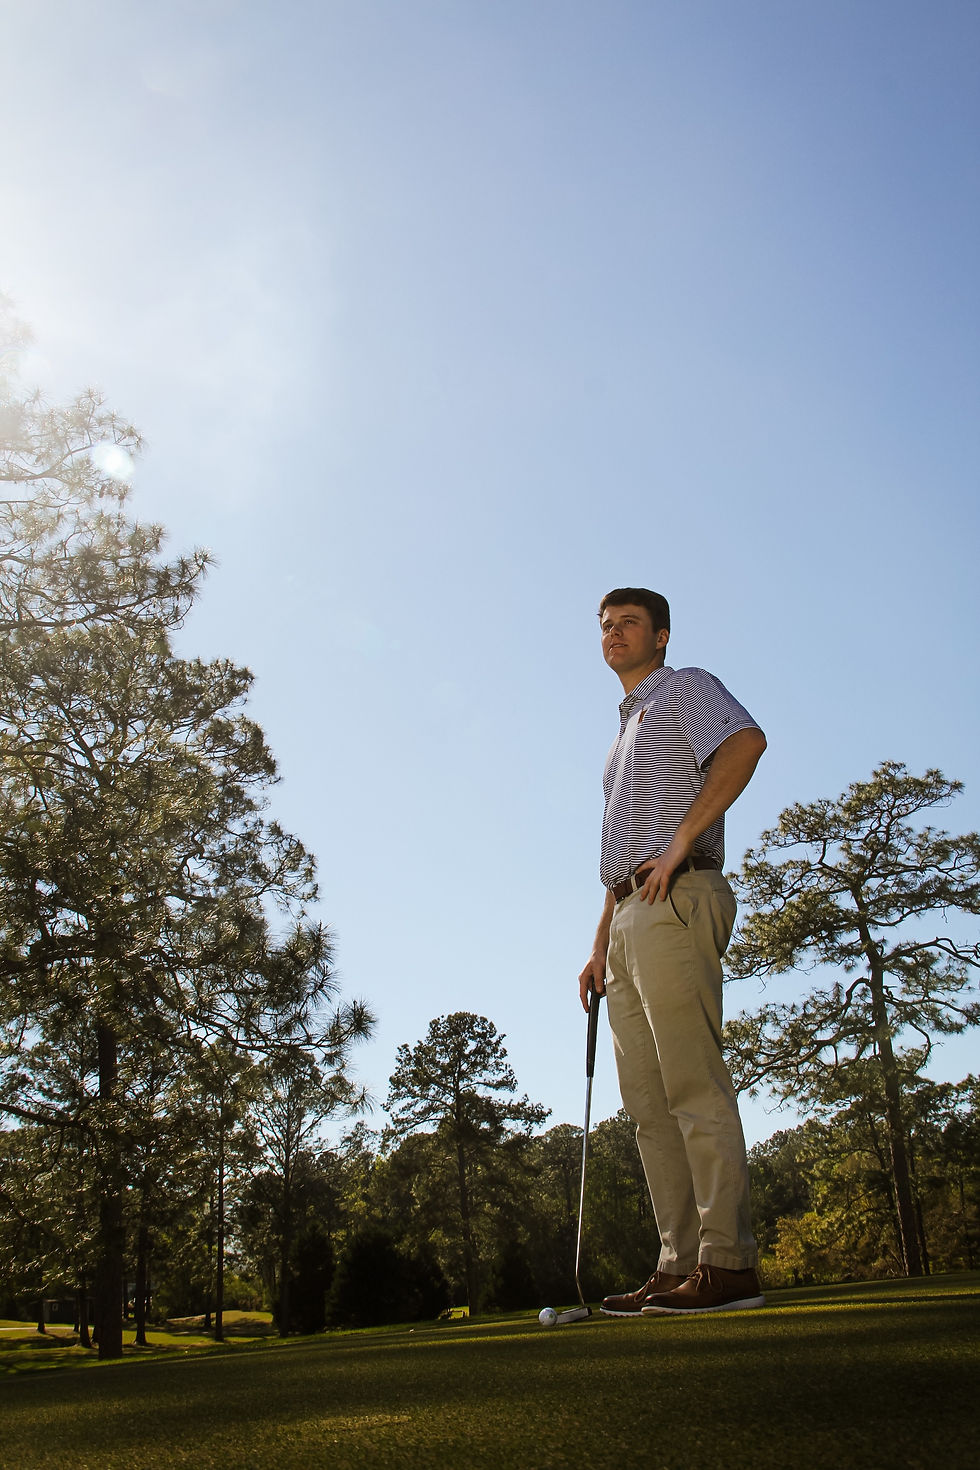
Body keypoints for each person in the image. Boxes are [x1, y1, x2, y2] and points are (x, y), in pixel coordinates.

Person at [578, 587, 767, 1316]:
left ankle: (729, 1264)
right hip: (628, 915)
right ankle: (679, 1263)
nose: (614, 633)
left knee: (692, 1083)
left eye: (629, 623)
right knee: (649, 1107)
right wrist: (600, 943)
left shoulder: (686, 686)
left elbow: (745, 744)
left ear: (660, 635)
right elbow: (619, 854)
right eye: (606, 625)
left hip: (677, 896)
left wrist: (681, 843)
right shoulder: (619, 738)